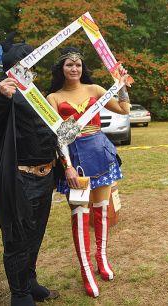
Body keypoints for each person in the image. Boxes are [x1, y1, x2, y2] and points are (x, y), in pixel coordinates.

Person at [0, 33, 59, 306]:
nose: (29, 70)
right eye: (24, 64)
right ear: (12, 66)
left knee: (34, 234)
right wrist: (1, 99)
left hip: (44, 176)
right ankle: (19, 295)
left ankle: (29, 282)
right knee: (16, 238)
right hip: (17, 178)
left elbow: (47, 134)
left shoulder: (35, 93)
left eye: (32, 64)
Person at [46, 47, 131, 298]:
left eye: (78, 65)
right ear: (61, 68)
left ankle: (101, 258)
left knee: (102, 211)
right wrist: (67, 166)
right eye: (69, 65)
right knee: (80, 216)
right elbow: (57, 136)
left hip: (101, 154)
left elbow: (124, 109)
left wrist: (121, 83)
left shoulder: (95, 90)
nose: (74, 69)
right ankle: (85, 270)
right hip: (75, 161)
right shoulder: (52, 97)